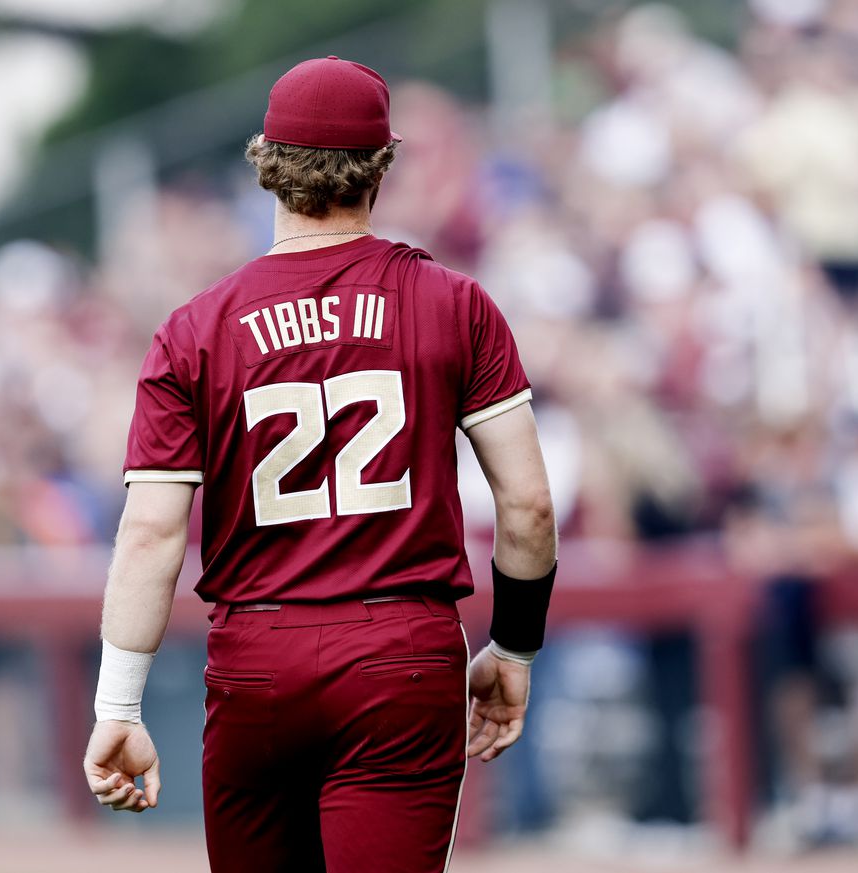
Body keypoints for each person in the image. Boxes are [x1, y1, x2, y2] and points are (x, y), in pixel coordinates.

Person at [82, 56, 558, 873]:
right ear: (383, 164)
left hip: (256, 660)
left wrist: (118, 701)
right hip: (399, 651)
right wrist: (513, 648)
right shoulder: (453, 302)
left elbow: (151, 534)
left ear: (265, 160)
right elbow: (528, 509)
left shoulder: (194, 329)